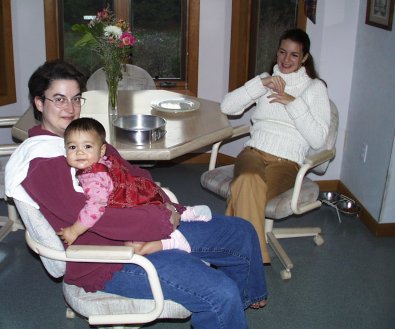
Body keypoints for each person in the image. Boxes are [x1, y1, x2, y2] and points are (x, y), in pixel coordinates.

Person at [6, 60, 268, 329]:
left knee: (241, 233)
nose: (70, 108)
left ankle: (237, 309)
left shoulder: (82, 138)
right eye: (59, 99)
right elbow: (97, 218)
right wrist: (163, 222)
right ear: (39, 103)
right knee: (220, 293)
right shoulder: (43, 164)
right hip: (109, 258)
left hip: (146, 223)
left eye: (75, 98)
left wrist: (167, 206)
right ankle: (227, 309)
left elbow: (134, 174)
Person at [220, 28, 331, 264]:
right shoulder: (265, 79)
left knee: (244, 189)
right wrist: (261, 84)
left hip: (286, 163)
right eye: (282, 52)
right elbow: (227, 107)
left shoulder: (315, 88)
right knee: (248, 180)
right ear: (277, 52)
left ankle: (231, 256)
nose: (286, 59)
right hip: (253, 153)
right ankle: (256, 260)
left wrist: (293, 103)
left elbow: (318, 139)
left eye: (293, 54)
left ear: (304, 58)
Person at [58, 116, 212, 255]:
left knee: (134, 249)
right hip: (142, 191)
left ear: (102, 150)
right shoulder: (105, 161)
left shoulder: (93, 178)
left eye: (87, 147)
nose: (79, 152)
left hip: (132, 205)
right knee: (162, 204)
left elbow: (95, 207)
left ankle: (172, 240)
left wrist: (74, 230)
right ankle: (188, 212)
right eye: (73, 147)